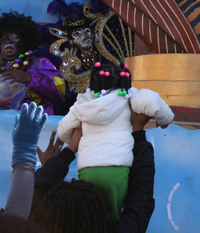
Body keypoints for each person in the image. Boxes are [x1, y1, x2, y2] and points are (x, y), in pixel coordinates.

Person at [56, 61, 173, 221]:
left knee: (89, 220)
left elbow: (63, 130)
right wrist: (164, 119)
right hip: (117, 171)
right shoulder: (129, 96)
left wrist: (76, 139)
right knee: (113, 219)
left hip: (88, 170)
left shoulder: (83, 103)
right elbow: (152, 101)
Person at [0, 12, 65, 114]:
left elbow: (59, 92)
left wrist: (30, 78)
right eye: (3, 39)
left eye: (13, 38)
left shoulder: (40, 63)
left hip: (32, 123)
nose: (7, 42)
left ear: (24, 41)